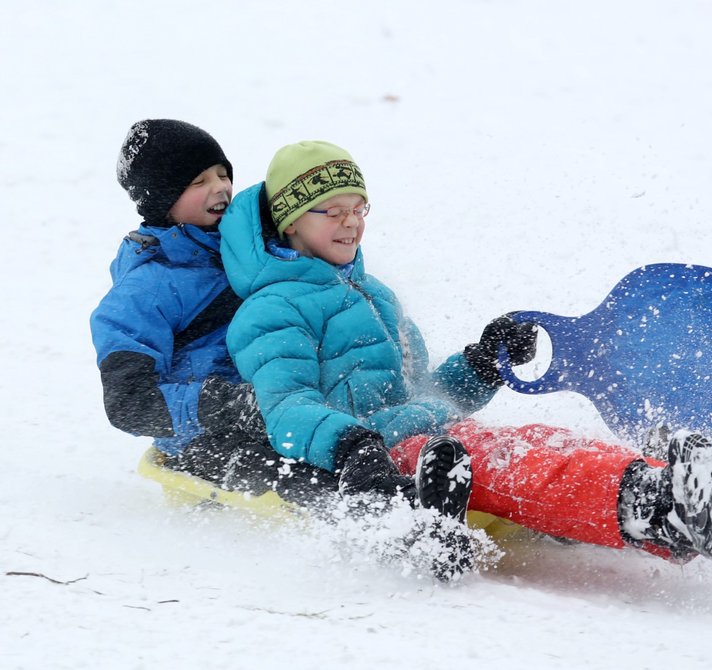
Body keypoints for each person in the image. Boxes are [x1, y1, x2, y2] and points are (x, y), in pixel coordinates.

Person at [217, 140, 712, 572]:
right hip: (381, 457)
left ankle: (677, 486)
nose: (351, 222)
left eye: (358, 207)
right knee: (515, 464)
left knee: (536, 439)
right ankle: (657, 508)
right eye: (330, 211)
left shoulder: (376, 294)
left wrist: (482, 363)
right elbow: (285, 408)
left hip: (431, 431)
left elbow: (423, 393)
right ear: (290, 221)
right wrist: (350, 444)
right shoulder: (272, 309)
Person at [90, 122, 472, 546]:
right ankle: (396, 524)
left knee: (352, 434)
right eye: (198, 182)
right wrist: (229, 405)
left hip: (299, 400)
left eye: (222, 174)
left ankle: (433, 490)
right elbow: (128, 403)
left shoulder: (248, 251)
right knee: (300, 470)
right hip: (210, 436)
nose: (219, 188)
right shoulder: (144, 292)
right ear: (161, 199)